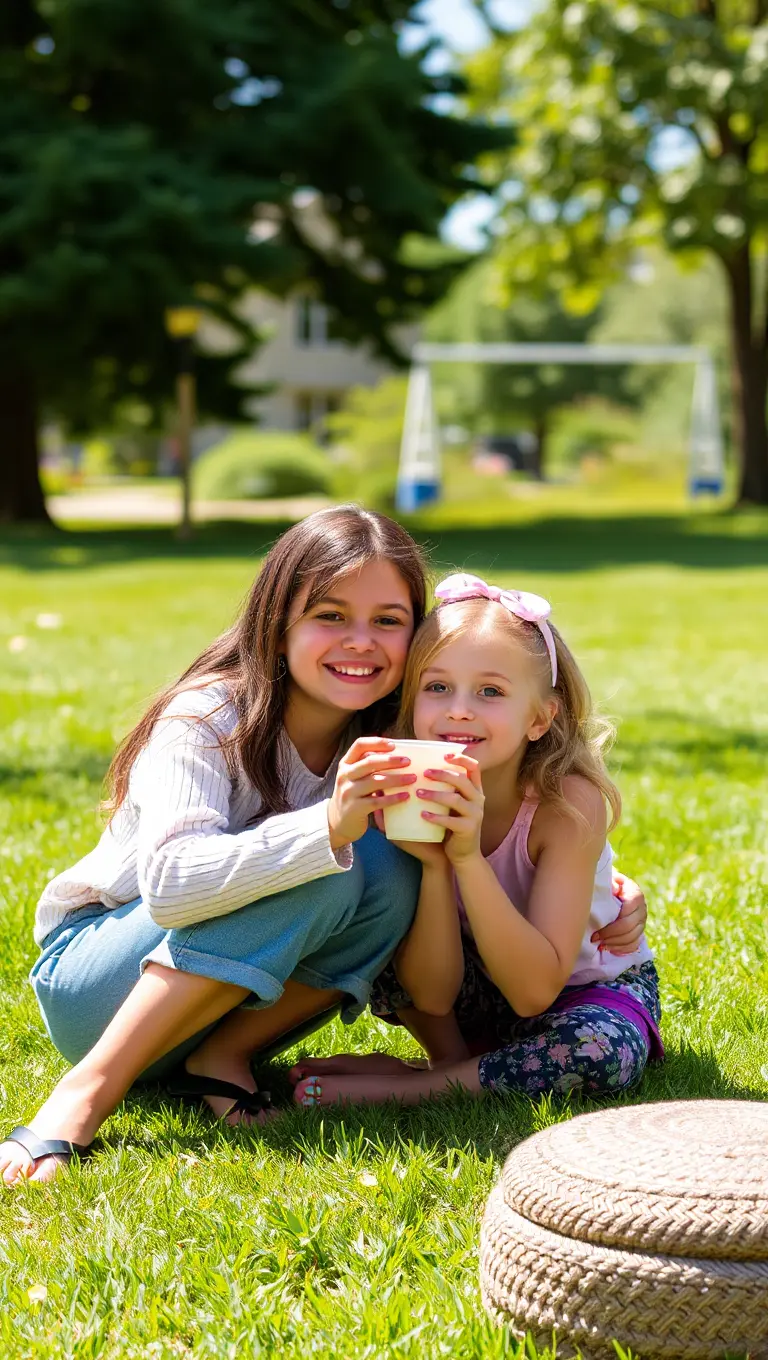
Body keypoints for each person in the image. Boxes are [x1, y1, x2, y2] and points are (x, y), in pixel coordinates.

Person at [1, 506, 430, 1184]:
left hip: (211, 1018)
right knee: (327, 866)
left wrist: (604, 891)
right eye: (329, 614)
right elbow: (171, 884)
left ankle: (223, 1058)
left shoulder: (390, 735)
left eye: (388, 620)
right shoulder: (207, 717)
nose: (361, 642)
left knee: (395, 866)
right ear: (276, 622)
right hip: (97, 987)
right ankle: (80, 1099)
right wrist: (326, 828)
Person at [292, 572, 662, 1110]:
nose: (459, 709)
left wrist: (467, 857)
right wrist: (438, 868)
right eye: (437, 687)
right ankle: (453, 1065)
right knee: (386, 912)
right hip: (475, 990)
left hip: (580, 993)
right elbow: (431, 994)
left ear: (540, 718)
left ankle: (416, 1087)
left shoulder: (565, 805)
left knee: (599, 1052)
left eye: (490, 692)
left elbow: (536, 991)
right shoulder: (406, 787)